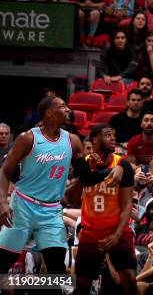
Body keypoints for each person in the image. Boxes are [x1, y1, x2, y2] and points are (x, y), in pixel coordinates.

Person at [0, 96, 123, 274]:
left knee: (56, 266)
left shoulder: (72, 140)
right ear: (49, 112)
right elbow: (4, 171)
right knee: (4, 261)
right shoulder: (28, 138)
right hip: (23, 206)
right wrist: (3, 202)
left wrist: (117, 169)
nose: (68, 109)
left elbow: (87, 176)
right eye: (62, 106)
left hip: (51, 210)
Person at [66, 125, 137, 295]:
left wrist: (116, 235)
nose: (113, 138)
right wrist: (86, 175)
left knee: (129, 279)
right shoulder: (84, 163)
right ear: (95, 140)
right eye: (108, 135)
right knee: (82, 285)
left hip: (118, 230)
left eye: (114, 135)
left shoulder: (122, 164)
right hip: (91, 232)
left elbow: (127, 204)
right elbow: (70, 199)